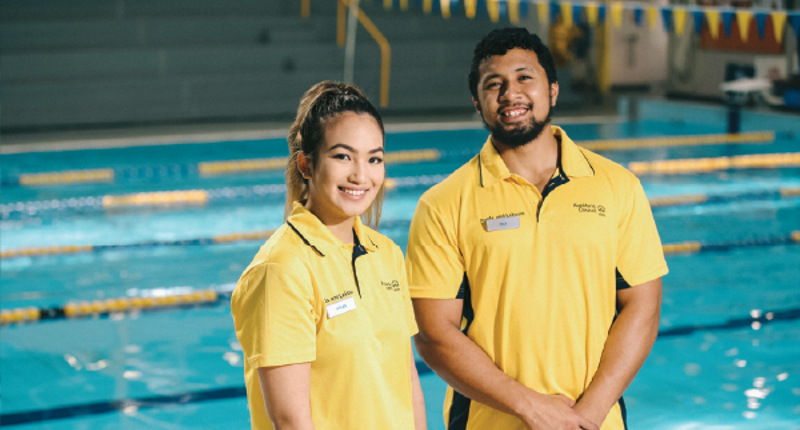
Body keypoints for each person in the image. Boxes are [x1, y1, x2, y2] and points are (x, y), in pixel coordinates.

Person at [406, 28, 667, 430]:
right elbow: (433, 334)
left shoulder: (617, 187)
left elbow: (643, 307)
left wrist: (588, 415)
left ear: (553, 90)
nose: (511, 93)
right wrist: (530, 407)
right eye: (495, 84)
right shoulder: (443, 204)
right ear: (478, 102)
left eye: (525, 77)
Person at [231, 81, 427, 430]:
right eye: (342, 156)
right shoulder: (282, 269)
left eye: (374, 158)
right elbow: (290, 420)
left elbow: (406, 378)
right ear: (306, 165)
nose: (360, 175)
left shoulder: (387, 254)